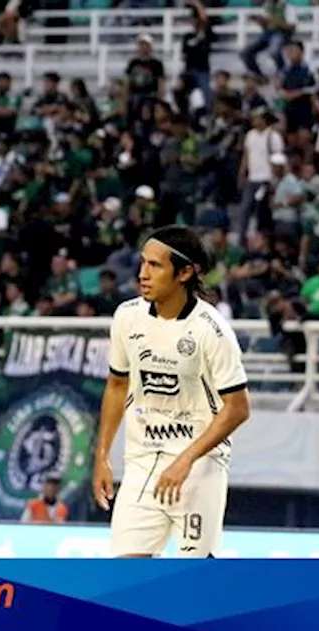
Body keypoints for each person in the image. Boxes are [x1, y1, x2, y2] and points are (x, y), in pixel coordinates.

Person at [91, 225, 251, 558]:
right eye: (142, 263)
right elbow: (117, 385)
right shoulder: (127, 316)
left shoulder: (212, 330)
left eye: (155, 265)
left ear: (185, 272)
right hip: (141, 462)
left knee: (191, 587)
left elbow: (237, 407)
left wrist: (186, 460)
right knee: (122, 581)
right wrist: (102, 455)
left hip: (198, 466)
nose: (142, 274)